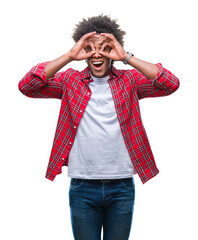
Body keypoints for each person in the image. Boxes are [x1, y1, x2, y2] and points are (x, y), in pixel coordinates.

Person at [18, 15, 180, 240]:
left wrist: (126, 57)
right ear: (83, 51)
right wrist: (68, 56)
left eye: (105, 48)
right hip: (82, 186)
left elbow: (170, 83)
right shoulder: (70, 81)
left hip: (122, 186)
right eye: (90, 48)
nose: (97, 54)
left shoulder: (129, 81)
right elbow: (27, 86)